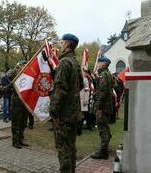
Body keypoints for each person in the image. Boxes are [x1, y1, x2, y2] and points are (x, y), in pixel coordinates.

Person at [49, 33, 83, 173]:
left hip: (63, 115)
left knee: (63, 148)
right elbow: (81, 84)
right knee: (71, 147)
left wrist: (54, 113)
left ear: (68, 44)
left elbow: (60, 90)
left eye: (62, 42)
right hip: (74, 113)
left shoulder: (64, 63)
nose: (61, 45)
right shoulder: (75, 62)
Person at [91, 56, 114, 160]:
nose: (98, 64)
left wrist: (99, 108)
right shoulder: (106, 74)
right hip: (106, 106)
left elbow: (102, 93)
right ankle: (105, 148)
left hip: (103, 107)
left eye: (99, 62)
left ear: (104, 64)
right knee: (104, 128)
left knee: (102, 129)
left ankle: (103, 152)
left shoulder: (104, 75)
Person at [10, 60, 30, 149]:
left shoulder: (27, 75)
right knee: (16, 121)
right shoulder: (15, 73)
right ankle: (15, 141)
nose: (25, 67)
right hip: (17, 100)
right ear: (19, 66)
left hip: (25, 101)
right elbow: (7, 76)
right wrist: (16, 68)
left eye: (26, 65)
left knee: (23, 121)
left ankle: (21, 139)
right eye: (23, 65)